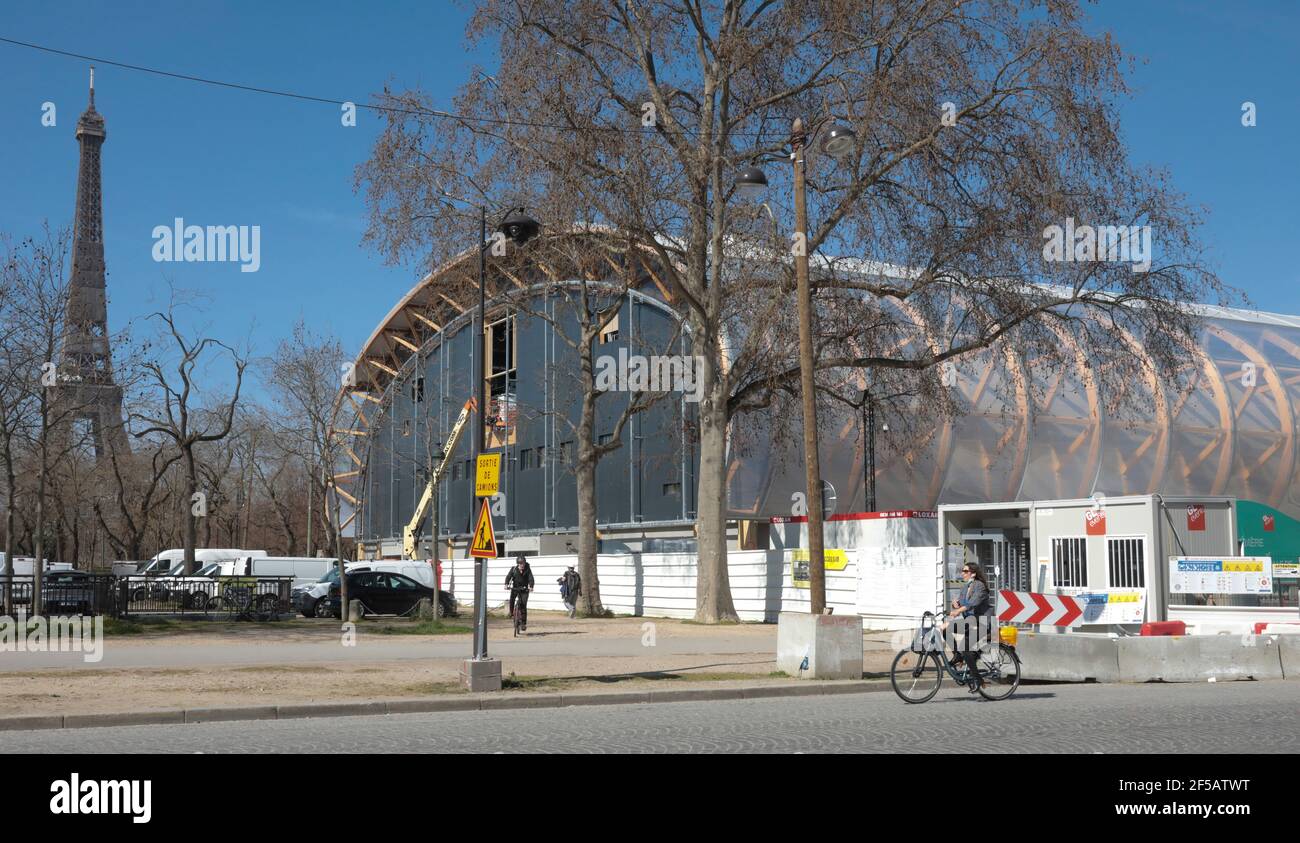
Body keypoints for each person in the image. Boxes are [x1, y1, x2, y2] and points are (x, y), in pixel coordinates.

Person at [948, 562, 993, 694]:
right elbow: (962, 604)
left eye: (965, 571)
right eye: (962, 571)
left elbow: (972, 603)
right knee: (946, 629)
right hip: (970, 622)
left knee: (965, 648)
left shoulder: (980, 586)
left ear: (973, 573)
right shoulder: (965, 587)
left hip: (982, 623)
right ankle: (957, 656)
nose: (962, 573)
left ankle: (978, 680)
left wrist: (958, 611)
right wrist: (955, 605)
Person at [504, 553, 534, 630]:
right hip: (515, 588)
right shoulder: (513, 569)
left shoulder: (528, 569)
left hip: (524, 589)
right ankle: (511, 613)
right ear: (518, 564)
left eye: (523, 563)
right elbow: (508, 577)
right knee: (512, 600)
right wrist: (506, 584)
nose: (522, 565)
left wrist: (531, 586)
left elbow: (531, 578)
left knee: (523, 605)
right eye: (520, 563)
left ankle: (523, 623)